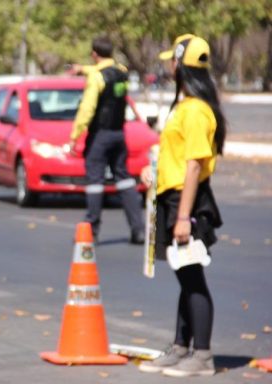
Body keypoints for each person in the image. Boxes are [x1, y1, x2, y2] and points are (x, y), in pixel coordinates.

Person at [137, 34, 224, 377]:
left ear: (180, 65)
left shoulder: (196, 111)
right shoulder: (185, 107)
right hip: (173, 196)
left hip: (187, 200)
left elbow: (194, 166)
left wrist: (184, 216)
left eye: (172, 61)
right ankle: (181, 347)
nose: (169, 67)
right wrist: (152, 170)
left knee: (192, 278)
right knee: (186, 277)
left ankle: (202, 355)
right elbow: (175, 157)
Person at [68, 37, 145, 244]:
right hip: (119, 134)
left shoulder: (96, 78)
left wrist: (75, 135)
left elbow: (87, 109)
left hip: (100, 136)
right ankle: (138, 229)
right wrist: (82, 69)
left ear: (94, 54)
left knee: (95, 182)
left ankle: (91, 231)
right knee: (125, 179)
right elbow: (103, 70)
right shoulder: (121, 72)